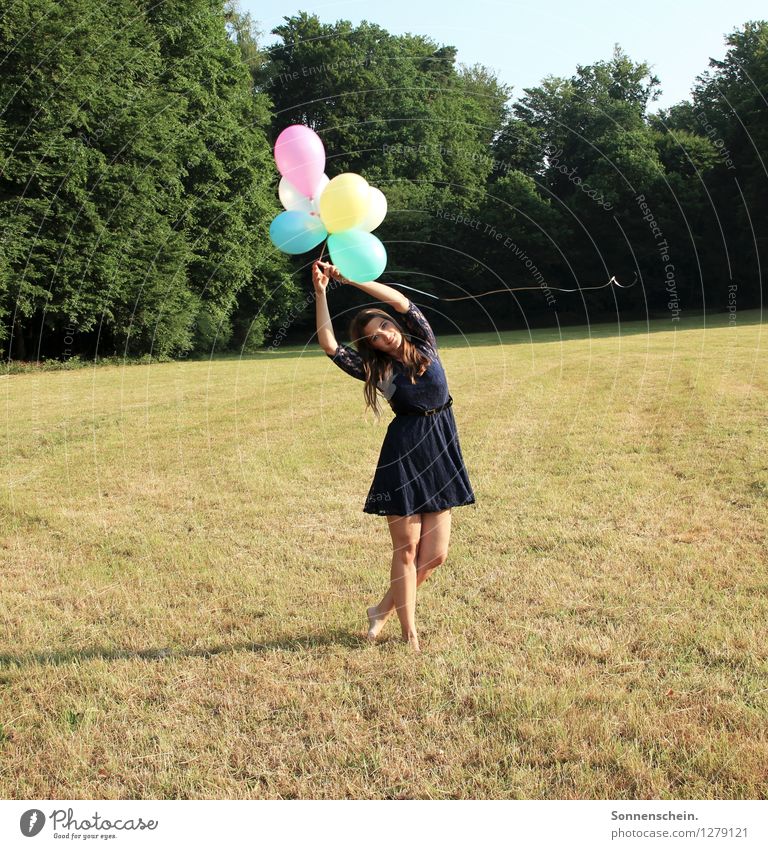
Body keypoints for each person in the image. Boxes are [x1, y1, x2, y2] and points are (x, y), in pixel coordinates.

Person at [312, 259, 476, 653]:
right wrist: (320, 293)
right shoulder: (376, 369)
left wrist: (349, 279)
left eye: (384, 327)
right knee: (406, 550)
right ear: (370, 346)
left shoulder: (424, 343)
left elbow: (401, 301)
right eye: (373, 337)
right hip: (403, 453)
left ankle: (381, 610)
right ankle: (409, 633)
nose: (383, 336)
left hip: (440, 448)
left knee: (435, 556)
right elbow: (330, 346)